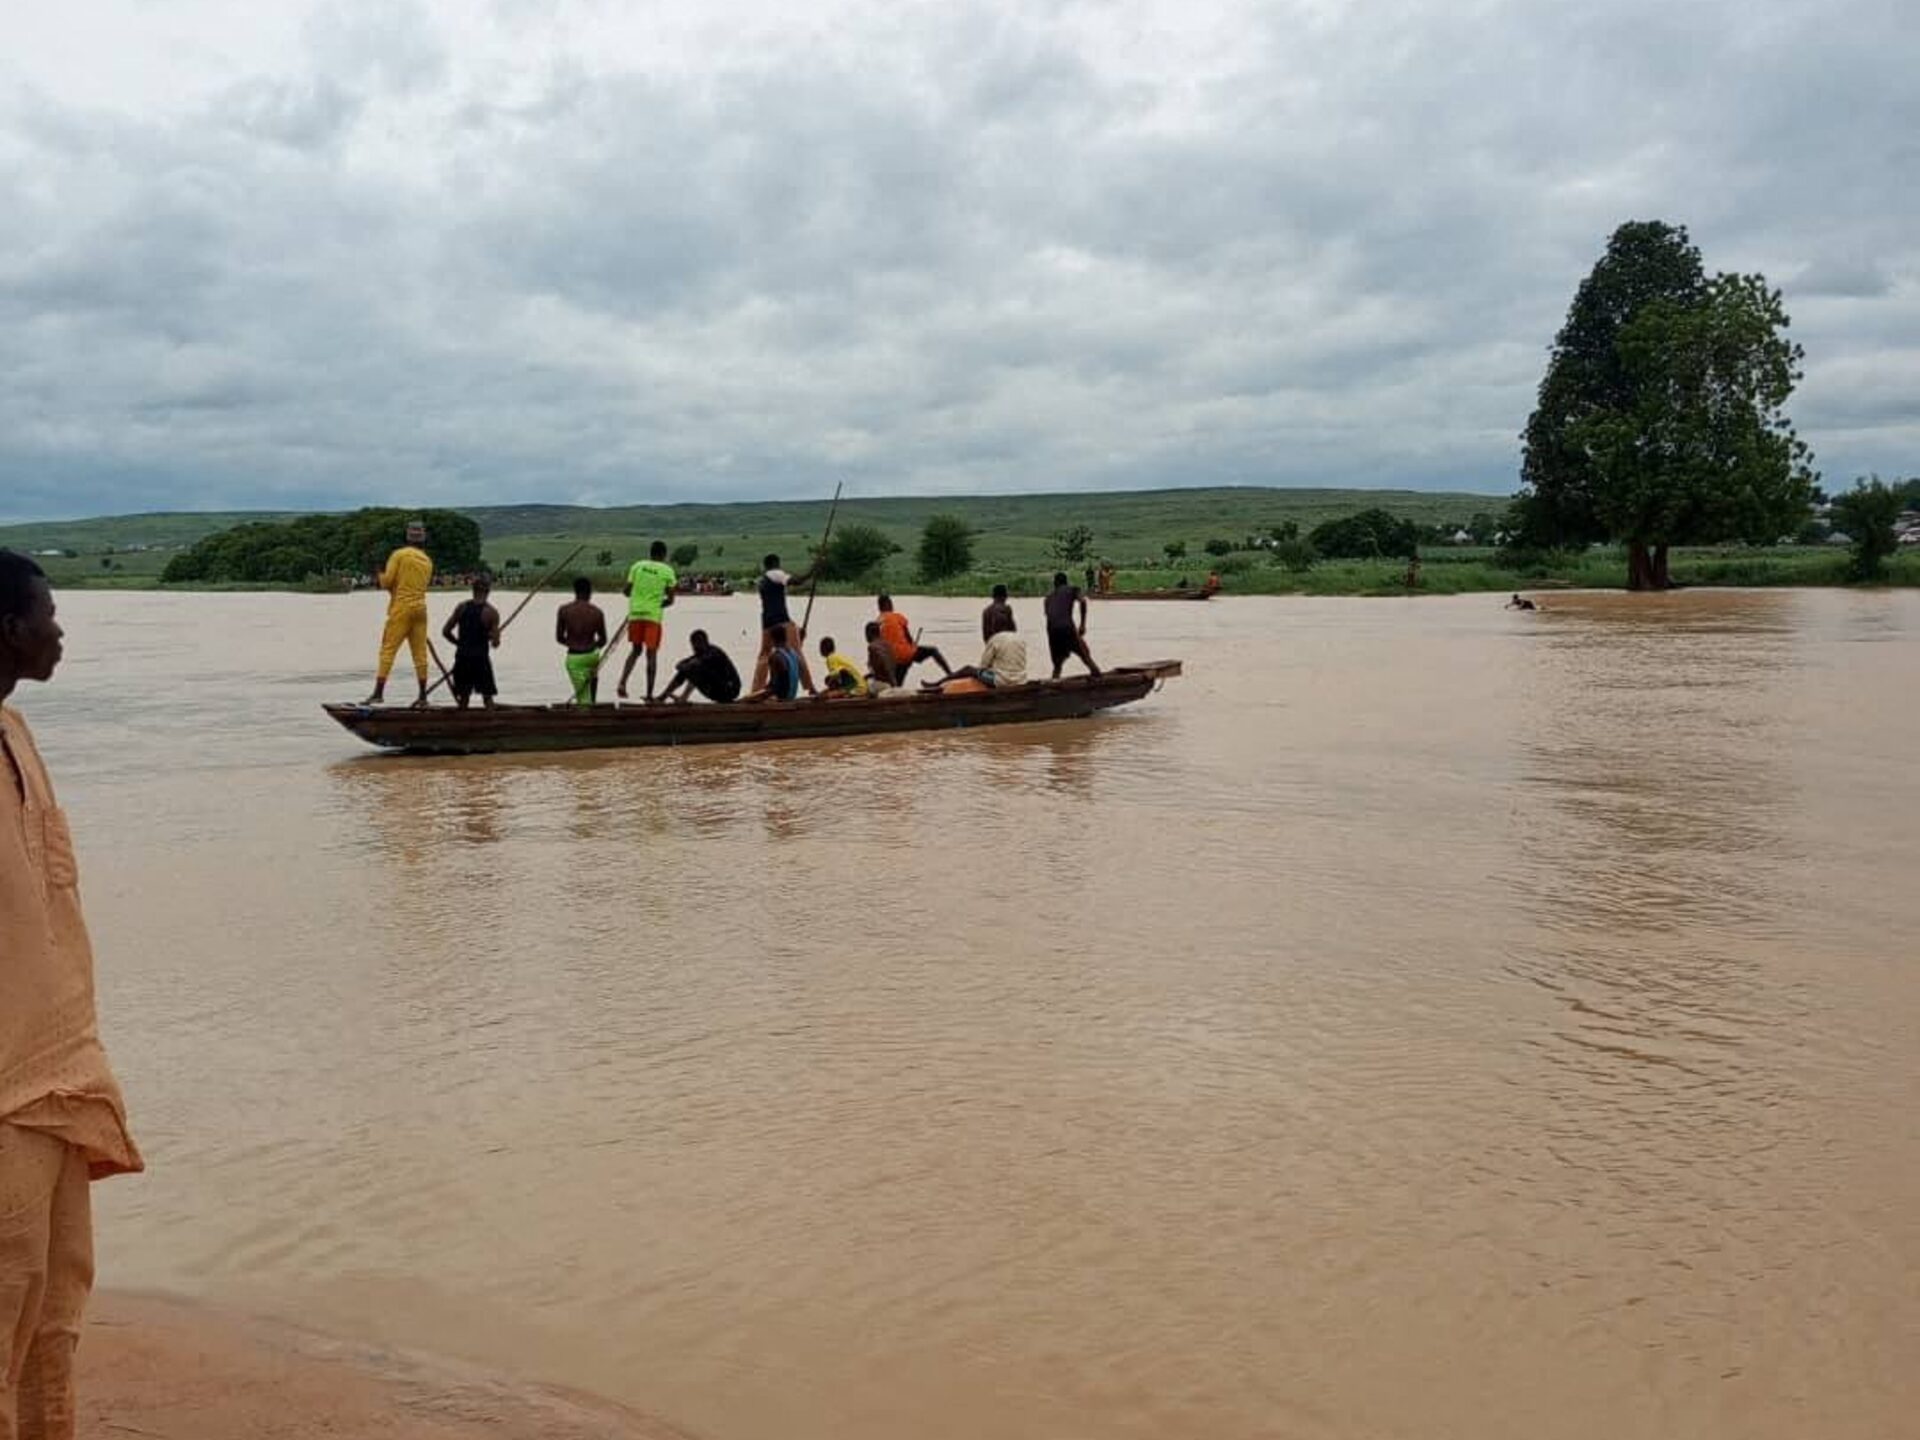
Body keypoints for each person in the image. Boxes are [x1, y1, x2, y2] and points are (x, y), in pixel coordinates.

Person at [0, 552, 143, 1439]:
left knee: (54, 1314)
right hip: (3, 1088)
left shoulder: (16, 732)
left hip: (59, 1077)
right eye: (48, 614)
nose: (59, 631)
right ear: (8, 629)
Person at [362, 519, 433, 706]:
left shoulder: (399, 555)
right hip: (421, 610)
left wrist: (379, 573)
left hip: (401, 608)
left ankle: (378, 693)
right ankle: (423, 696)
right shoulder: (427, 561)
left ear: (407, 537)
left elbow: (386, 582)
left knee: (388, 650)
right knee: (420, 654)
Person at [617, 541, 677, 702]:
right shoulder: (667, 571)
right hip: (653, 616)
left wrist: (638, 598)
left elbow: (626, 591)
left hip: (635, 614)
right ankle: (649, 694)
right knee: (651, 654)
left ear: (650, 553)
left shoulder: (637, 566)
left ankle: (622, 682)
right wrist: (658, 604)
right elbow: (671, 600)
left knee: (635, 650)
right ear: (664, 555)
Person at [751, 553, 819, 695]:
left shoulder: (763, 580)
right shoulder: (776, 574)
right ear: (776, 564)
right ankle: (810, 687)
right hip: (781, 620)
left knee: (764, 655)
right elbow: (796, 581)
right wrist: (812, 570)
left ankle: (756, 689)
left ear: (765, 566)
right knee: (796, 652)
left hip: (766, 622)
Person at [924, 608, 1028, 691]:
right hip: (1021, 679)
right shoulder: (1019, 639)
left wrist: (982, 672)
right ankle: (939, 684)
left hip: (1002, 681)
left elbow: (983, 666)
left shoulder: (995, 639)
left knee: (968, 669)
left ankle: (937, 684)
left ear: (995, 626)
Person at [439, 576, 501, 710]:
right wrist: (493, 636)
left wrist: (458, 643)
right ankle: (492, 721)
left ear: (473, 590)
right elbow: (495, 644)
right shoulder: (491, 613)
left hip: (463, 658)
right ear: (488, 591)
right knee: (488, 699)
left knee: (463, 699)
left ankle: (462, 720)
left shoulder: (461, 607)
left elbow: (445, 631)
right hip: (480, 660)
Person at [556, 576, 609, 704]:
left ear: (575, 591)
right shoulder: (597, 612)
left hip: (575, 658)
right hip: (592, 656)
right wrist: (592, 646)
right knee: (591, 690)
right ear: (590, 592)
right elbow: (603, 640)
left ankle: (586, 712)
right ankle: (593, 706)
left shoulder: (564, 610)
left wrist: (573, 643)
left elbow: (559, 638)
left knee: (583, 699)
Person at [876, 594, 949, 684]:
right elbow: (908, 638)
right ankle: (950, 674)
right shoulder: (897, 616)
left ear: (879, 607)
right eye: (891, 604)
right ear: (888, 604)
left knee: (897, 685)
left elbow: (880, 645)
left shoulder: (877, 622)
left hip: (893, 659)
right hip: (906, 654)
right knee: (933, 650)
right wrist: (913, 649)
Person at [1042, 571, 1101, 678]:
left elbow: (1050, 615)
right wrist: (1082, 624)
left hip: (1052, 631)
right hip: (1066, 628)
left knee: (1057, 665)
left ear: (1055, 584)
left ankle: (1054, 682)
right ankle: (1098, 677)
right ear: (1066, 582)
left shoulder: (1048, 598)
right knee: (1085, 656)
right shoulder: (1073, 589)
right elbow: (1083, 601)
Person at [660, 629, 742, 704]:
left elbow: (693, 664)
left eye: (696, 645)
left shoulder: (714, 653)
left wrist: (687, 666)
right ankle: (663, 697)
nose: (694, 648)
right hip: (717, 689)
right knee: (688, 670)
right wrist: (685, 667)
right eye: (693, 645)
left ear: (703, 642)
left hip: (730, 690)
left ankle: (682, 697)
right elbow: (679, 665)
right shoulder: (700, 654)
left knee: (695, 669)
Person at [744, 623, 805, 702]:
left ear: (771, 639)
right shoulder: (793, 654)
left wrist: (754, 697)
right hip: (791, 696)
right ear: (785, 637)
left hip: (781, 698)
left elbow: (774, 688)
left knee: (746, 699)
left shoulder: (775, 657)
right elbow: (798, 672)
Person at [864, 620, 900, 692]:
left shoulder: (872, 647)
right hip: (893, 683)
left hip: (884, 684)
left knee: (864, 686)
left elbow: (878, 672)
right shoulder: (887, 644)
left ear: (869, 634)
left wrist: (867, 678)